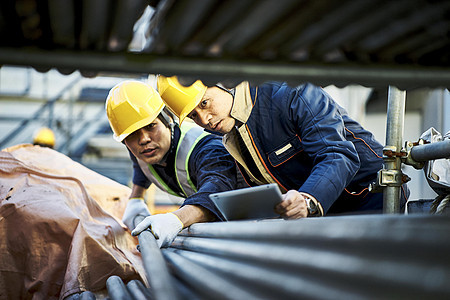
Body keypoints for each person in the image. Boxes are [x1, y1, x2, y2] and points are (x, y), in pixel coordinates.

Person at [157, 76, 409, 219]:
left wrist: (309, 200)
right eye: (192, 116)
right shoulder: (231, 136)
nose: (204, 120)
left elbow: (337, 155)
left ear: (225, 81)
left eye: (204, 103)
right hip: (325, 214)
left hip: (370, 199)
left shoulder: (291, 93)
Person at [105, 80, 245, 248]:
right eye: (132, 134)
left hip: (241, 226)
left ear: (168, 119)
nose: (143, 139)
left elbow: (217, 191)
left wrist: (175, 220)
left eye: (150, 126)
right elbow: (139, 166)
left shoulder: (206, 149)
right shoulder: (142, 149)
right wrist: (136, 197)